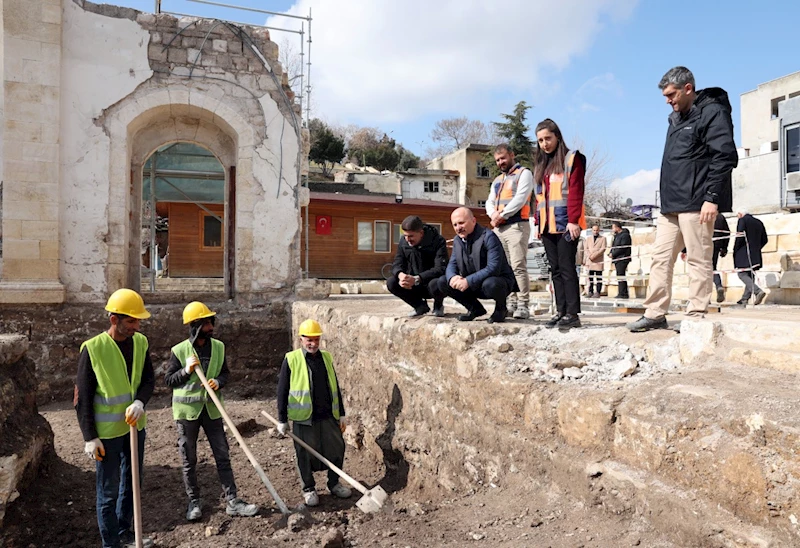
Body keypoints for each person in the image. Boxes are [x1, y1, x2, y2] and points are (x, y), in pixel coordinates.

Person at [627, 67, 738, 332]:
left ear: (688, 88)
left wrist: (712, 198)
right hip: (671, 206)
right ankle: (655, 313)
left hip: (697, 202)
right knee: (660, 258)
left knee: (698, 259)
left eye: (671, 94)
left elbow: (724, 156)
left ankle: (696, 315)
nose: (667, 100)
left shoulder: (712, 112)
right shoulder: (675, 119)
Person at [75, 288, 155, 548]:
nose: (136, 326)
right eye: (131, 321)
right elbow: (82, 398)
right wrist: (90, 437)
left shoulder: (140, 342)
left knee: (132, 484)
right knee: (108, 492)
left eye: (138, 321)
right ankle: (111, 544)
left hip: (134, 426)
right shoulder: (93, 349)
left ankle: (124, 532)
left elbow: (148, 379)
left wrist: (140, 402)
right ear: (114, 319)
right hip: (106, 434)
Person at [164, 301, 258, 521]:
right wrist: (186, 370)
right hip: (187, 413)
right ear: (195, 326)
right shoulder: (179, 351)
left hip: (212, 410)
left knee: (222, 455)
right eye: (206, 323)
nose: (210, 327)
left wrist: (218, 381)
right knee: (189, 459)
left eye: (211, 322)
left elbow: (225, 373)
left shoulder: (219, 347)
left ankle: (232, 500)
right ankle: (194, 502)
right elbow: (169, 380)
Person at [276, 319, 352, 506]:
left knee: (337, 449)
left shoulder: (326, 357)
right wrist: (282, 419)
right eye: (309, 340)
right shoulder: (291, 359)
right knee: (304, 454)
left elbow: (334, 386)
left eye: (316, 339)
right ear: (301, 339)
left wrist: (341, 413)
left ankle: (334, 483)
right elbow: (282, 390)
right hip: (304, 418)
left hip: (328, 415)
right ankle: (308, 489)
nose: (313, 343)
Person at [532, 119, 587, 329]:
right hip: (547, 226)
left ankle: (572, 313)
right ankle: (561, 311)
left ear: (557, 137)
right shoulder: (541, 165)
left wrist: (573, 221)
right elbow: (539, 198)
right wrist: (538, 224)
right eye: (540, 140)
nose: (544, 144)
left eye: (548, 138)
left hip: (566, 224)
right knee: (554, 270)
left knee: (567, 268)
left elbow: (576, 192)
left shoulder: (572, 159)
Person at [436, 207, 518, 323]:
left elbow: (493, 267)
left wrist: (468, 281)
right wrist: (452, 277)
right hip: (472, 283)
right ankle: (475, 309)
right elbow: (452, 264)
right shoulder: (458, 240)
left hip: (496, 282)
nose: (458, 228)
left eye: (461, 223)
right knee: (443, 281)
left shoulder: (488, 237)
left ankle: (501, 309)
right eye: (455, 225)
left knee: (492, 284)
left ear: (473, 221)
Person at [485, 143, 533, 319]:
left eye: (503, 158)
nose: (500, 162)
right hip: (500, 228)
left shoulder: (524, 173)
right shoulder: (498, 180)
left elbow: (520, 198)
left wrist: (502, 215)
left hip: (516, 226)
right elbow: (490, 201)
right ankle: (511, 302)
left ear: (512, 155)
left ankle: (523, 304)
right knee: (504, 268)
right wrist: (493, 215)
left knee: (518, 265)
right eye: (497, 160)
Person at [386, 215, 448, 317]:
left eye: (411, 236)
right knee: (391, 282)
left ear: (421, 233)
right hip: (412, 284)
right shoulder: (403, 242)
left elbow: (441, 268)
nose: (407, 239)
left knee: (438, 282)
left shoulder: (438, 241)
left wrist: (418, 278)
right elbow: (397, 263)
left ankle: (438, 306)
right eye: (405, 235)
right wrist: (401, 275)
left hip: (430, 283)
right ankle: (419, 306)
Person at [733, 210, 768, 305]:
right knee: (750, 274)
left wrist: (736, 249)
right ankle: (744, 299)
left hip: (743, 252)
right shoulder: (759, 222)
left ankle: (757, 291)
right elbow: (765, 239)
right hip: (755, 253)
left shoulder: (742, 220)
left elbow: (739, 236)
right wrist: (756, 248)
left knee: (742, 274)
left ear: (740, 214)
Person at [610, 222, 632, 299]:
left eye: (613, 227)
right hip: (617, 258)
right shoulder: (617, 236)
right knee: (619, 275)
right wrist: (611, 253)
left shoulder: (625, 236)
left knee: (621, 275)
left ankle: (623, 293)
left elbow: (623, 247)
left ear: (617, 227)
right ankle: (622, 292)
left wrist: (614, 254)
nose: (612, 229)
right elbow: (614, 246)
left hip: (622, 258)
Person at [583, 225, 606, 298]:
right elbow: (586, 248)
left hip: (598, 261)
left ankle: (598, 292)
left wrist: (594, 255)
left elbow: (603, 249)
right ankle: (590, 291)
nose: (595, 232)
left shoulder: (603, 238)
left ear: (599, 230)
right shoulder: (588, 239)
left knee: (599, 277)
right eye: (594, 230)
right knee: (590, 277)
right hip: (590, 261)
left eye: (596, 230)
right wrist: (589, 256)